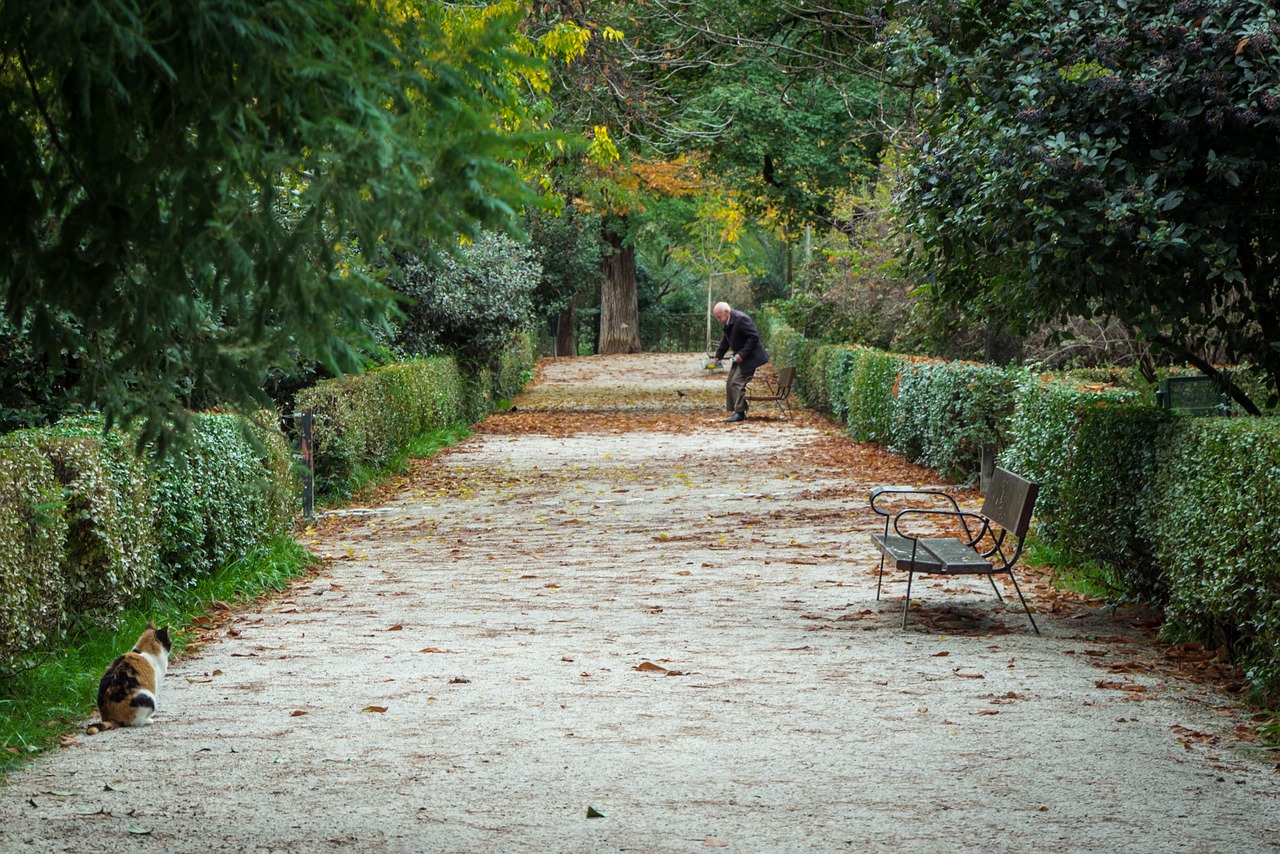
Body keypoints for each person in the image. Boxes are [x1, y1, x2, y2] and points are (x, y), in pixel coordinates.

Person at [711, 301, 769, 423]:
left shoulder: (741, 319)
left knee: (737, 382)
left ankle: (740, 413)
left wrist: (742, 354)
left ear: (727, 312)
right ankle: (736, 411)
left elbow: (754, 337)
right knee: (730, 382)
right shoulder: (729, 322)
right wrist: (718, 355)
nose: (718, 320)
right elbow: (726, 340)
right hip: (740, 357)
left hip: (751, 357)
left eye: (719, 316)